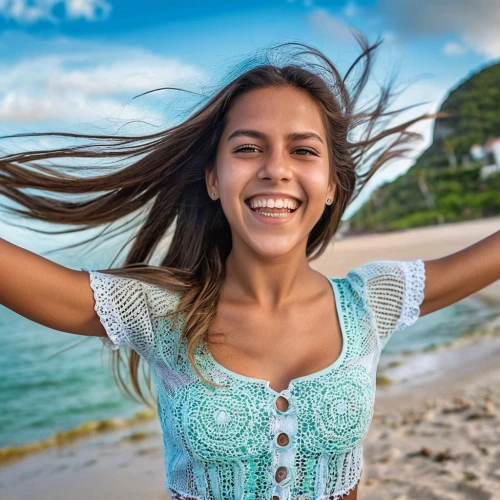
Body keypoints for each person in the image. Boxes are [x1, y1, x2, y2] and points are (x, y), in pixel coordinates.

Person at [1, 33, 499, 500]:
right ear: (213, 179)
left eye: (303, 150)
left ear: (330, 185)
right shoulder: (160, 314)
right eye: (247, 148)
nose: (275, 169)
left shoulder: (372, 301)